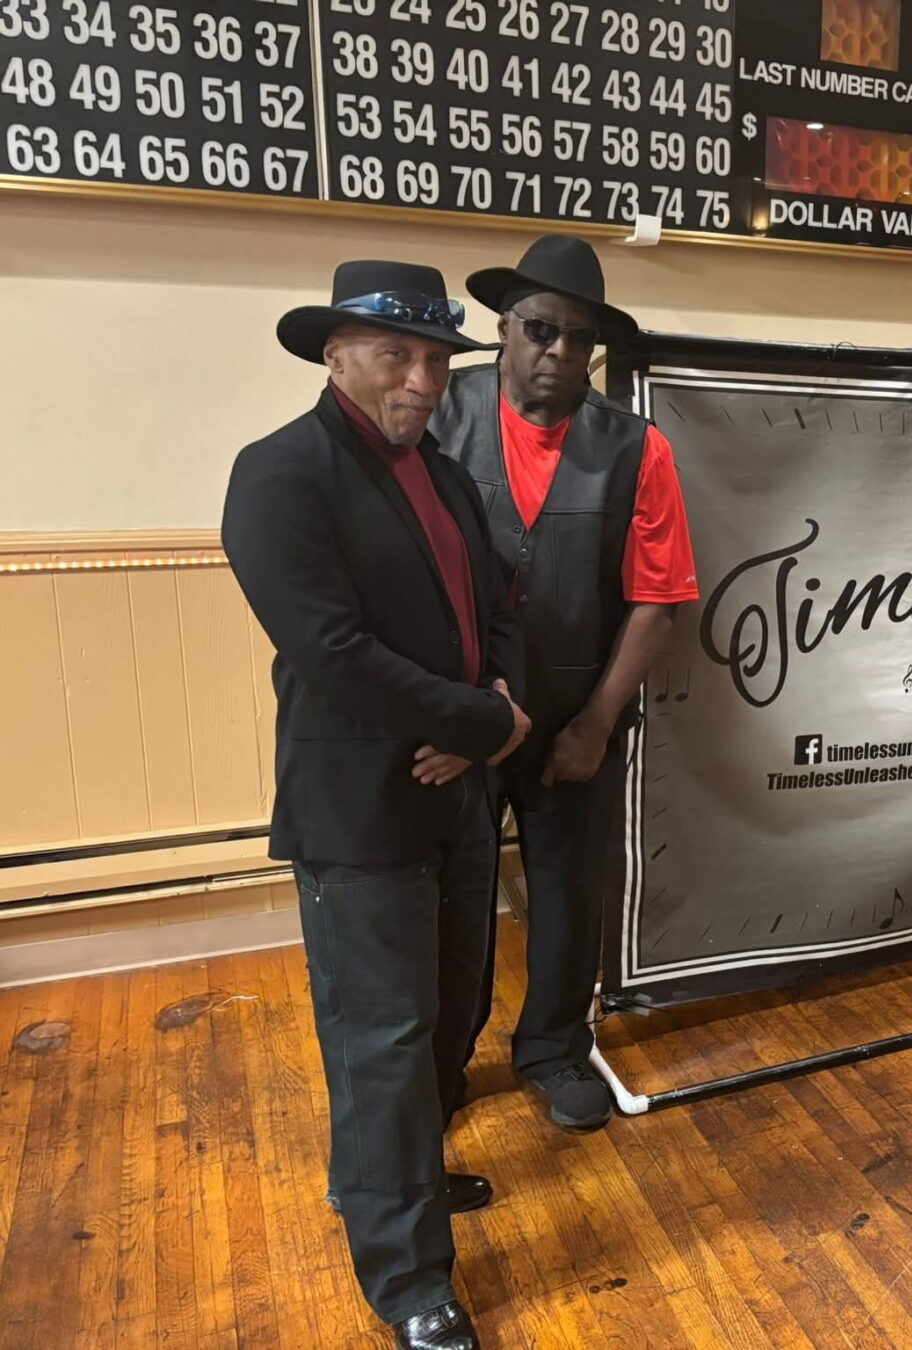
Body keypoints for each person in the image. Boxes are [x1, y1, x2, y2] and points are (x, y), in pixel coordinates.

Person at [223, 261, 531, 1349]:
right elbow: (332, 650)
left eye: (438, 360)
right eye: (397, 356)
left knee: (449, 1006)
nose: (423, 380)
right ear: (335, 354)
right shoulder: (279, 474)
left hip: (458, 791)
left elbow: (498, 607)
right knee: (382, 1035)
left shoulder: (442, 475)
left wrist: (494, 708)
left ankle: (390, 1176)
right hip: (360, 804)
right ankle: (408, 1280)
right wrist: (479, 721)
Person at [434, 235, 698, 1132]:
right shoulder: (437, 414)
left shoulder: (636, 447)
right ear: (504, 327)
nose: (559, 352)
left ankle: (553, 1046)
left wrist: (595, 723)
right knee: (452, 893)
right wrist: (441, 708)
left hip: (574, 714)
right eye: (541, 329)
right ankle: (442, 1058)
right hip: (463, 710)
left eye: (580, 339)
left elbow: (658, 599)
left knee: (569, 890)